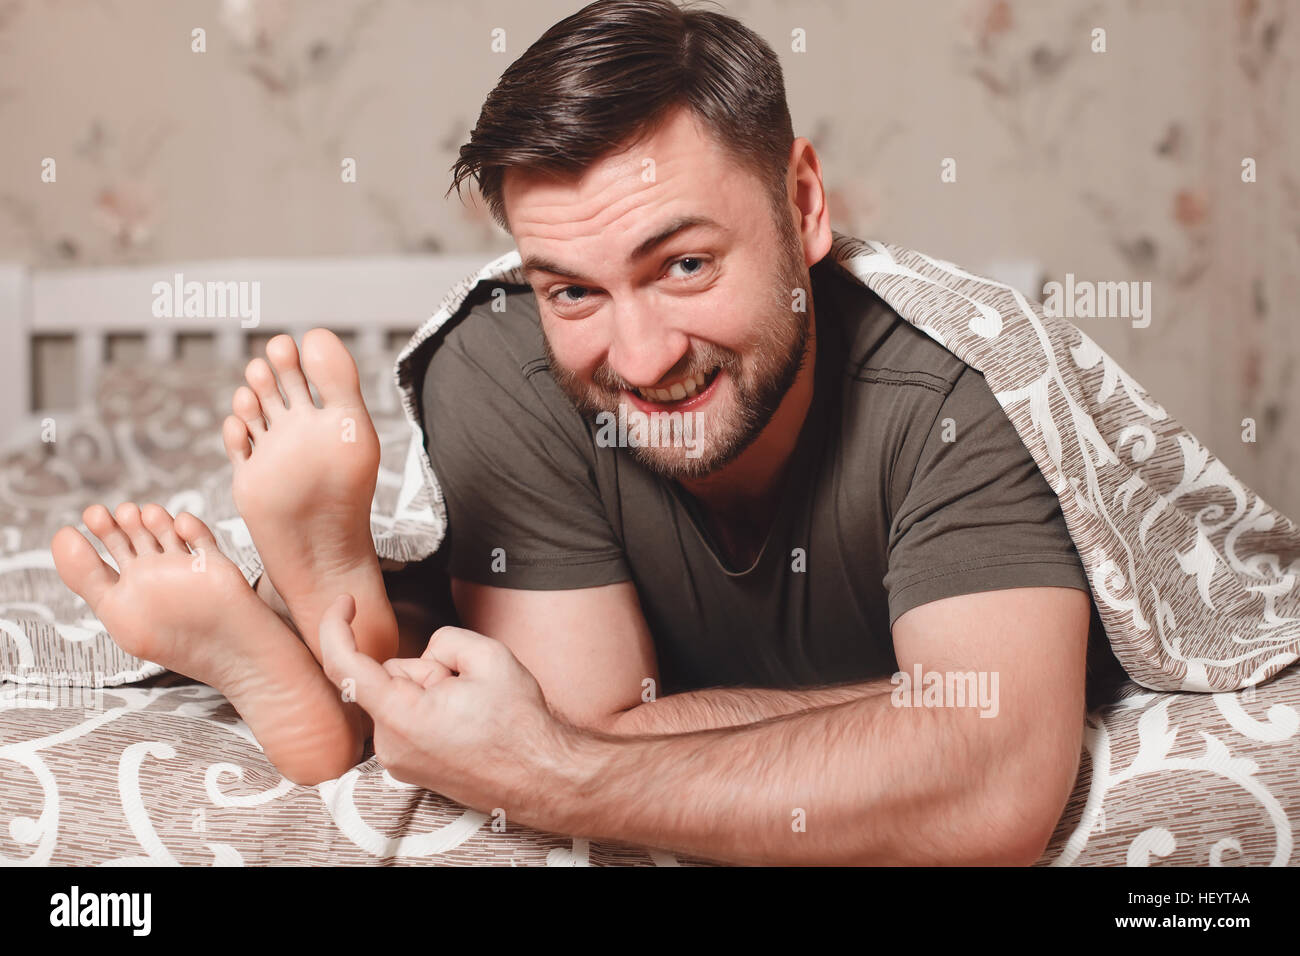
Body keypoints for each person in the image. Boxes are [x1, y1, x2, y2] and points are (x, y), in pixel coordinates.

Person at [51, 0, 1124, 865]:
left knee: (454, 692)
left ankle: (348, 665)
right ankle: (334, 637)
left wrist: (552, 770)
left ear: (802, 206)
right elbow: (574, 711)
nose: (643, 354)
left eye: (685, 265)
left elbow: (990, 781)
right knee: (448, 650)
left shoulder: (956, 390)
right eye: (571, 290)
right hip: (552, 569)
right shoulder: (501, 363)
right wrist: (895, 706)